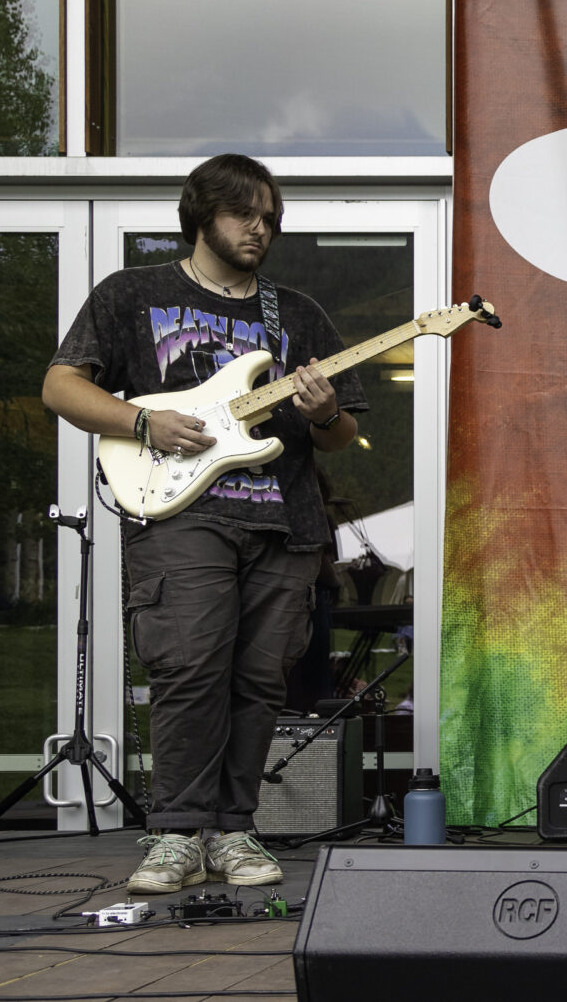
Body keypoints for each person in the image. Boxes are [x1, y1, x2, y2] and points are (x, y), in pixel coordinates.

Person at [42, 155, 366, 897]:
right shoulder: (134, 293)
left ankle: (233, 829)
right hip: (181, 515)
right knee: (190, 670)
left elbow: (340, 435)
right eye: (244, 214)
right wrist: (142, 422)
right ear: (201, 215)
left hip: (283, 523)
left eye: (270, 218)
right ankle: (176, 834)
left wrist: (325, 413)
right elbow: (60, 385)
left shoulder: (297, 314)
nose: (260, 229)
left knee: (260, 680)